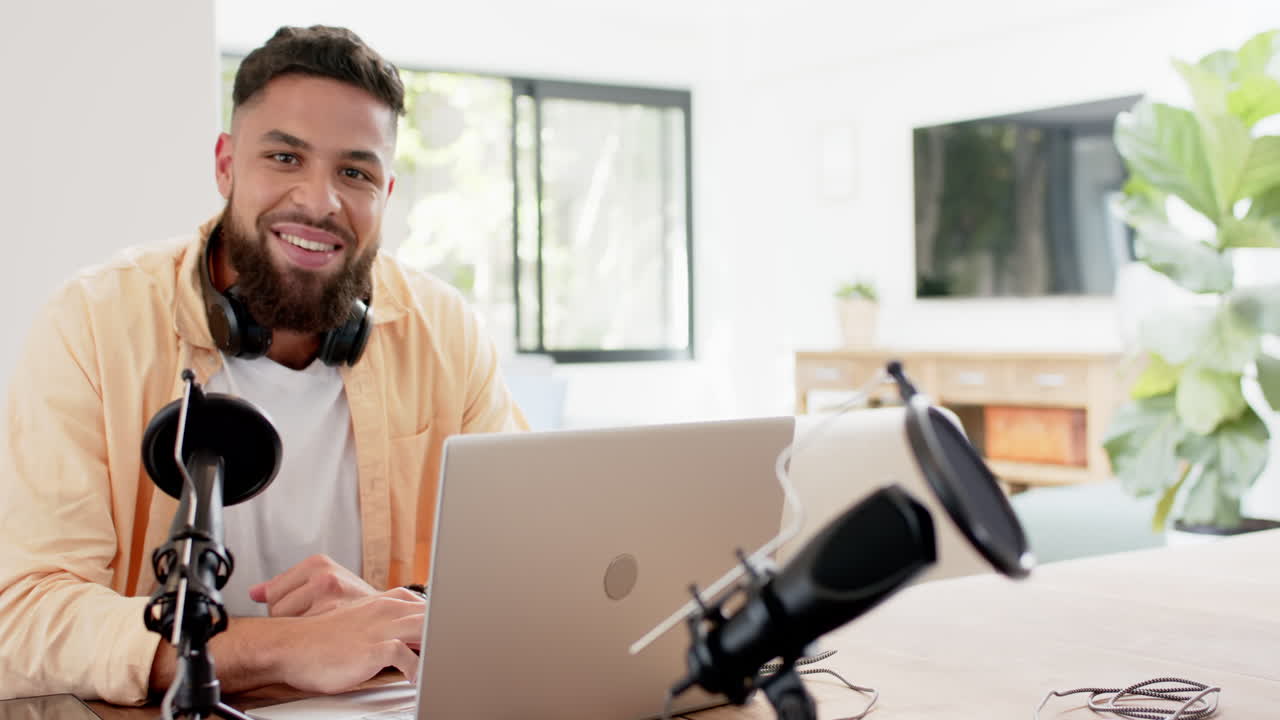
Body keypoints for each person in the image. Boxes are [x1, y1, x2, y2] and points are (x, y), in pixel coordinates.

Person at [0, 25, 526, 705]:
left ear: (387, 192)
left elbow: (517, 576)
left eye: (355, 172)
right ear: (226, 165)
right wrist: (287, 648)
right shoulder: (92, 323)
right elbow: (23, 617)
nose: (319, 201)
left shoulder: (446, 333)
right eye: (284, 157)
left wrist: (402, 612)